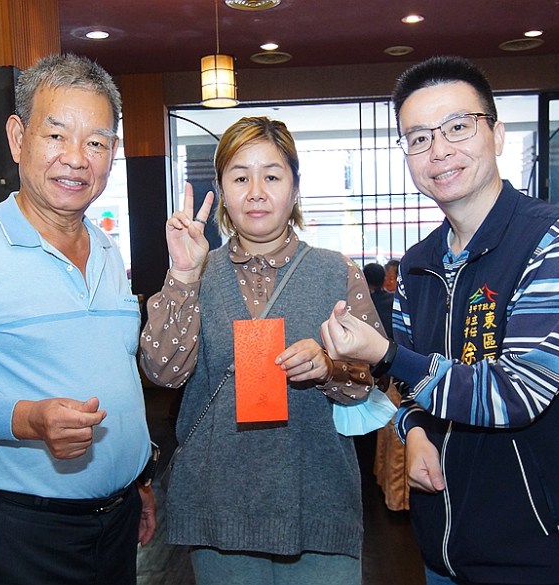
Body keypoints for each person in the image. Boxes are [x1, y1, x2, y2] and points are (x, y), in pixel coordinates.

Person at [321, 56, 559, 585]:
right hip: (444, 548)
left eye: (458, 127)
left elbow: (517, 394)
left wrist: (385, 354)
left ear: (497, 135)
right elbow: (409, 388)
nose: (439, 150)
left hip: (544, 554)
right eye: (418, 138)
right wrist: (414, 430)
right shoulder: (417, 265)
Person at [0, 53, 155, 585]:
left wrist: (137, 478)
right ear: (18, 139)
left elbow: (115, 375)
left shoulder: (108, 251)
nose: (76, 159)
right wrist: (25, 419)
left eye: (96, 142)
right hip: (22, 529)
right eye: (56, 135)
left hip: (118, 517)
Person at [139, 116, 386, 585]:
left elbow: (365, 384)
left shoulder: (337, 273)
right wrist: (183, 276)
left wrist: (327, 368)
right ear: (221, 191)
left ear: (295, 188)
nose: (256, 192)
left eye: (271, 176)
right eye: (240, 178)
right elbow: (162, 371)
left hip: (317, 500)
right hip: (219, 506)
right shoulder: (198, 271)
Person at [362, 262, 393, 339]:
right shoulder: (394, 301)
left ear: (363, 279)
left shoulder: (359, 302)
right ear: (384, 279)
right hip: (392, 343)